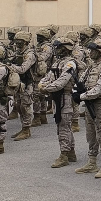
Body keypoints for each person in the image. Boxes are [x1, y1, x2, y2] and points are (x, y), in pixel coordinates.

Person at [76, 39, 101, 177]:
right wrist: (77, 92)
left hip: (100, 104)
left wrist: (82, 96)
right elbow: (80, 82)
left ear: (100, 52)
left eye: (93, 50)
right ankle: (92, 162)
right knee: (91, 134)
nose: (90, 52)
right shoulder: (90, 67)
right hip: (89, 104)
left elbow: (99, 89)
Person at [38, 37, 79, 168]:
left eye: (59, 47)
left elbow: (62, 82)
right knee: (63, 125)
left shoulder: (70, 64)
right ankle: (71, 152)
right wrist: (42, 84)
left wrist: (45, 88)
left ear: (65, 49)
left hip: (66, 98)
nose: (56, 50)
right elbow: (49, 76)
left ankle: (64, 155)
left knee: (63, 126)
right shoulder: (58, 62)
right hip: (57, 97)